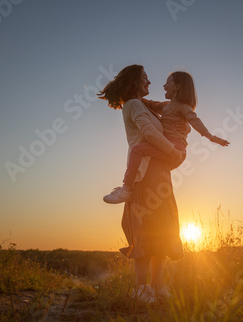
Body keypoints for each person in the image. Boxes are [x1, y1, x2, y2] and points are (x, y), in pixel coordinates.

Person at [97, 64, 185, 303]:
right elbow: (147, 132)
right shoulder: (133, 105)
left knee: (162, 233)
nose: (149, 82)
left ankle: (157, 287)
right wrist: (172, 151)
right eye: (145, 78)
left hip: (160, 175)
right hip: (145, 177)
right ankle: (141, 289)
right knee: (146, 232)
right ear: (134, 81)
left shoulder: (142, 105)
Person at [103, 71, 229, 204]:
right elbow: (147, 103)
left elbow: (196, 121)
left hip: (176, 147)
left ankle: (126, 189)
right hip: (168, 147)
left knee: (137, 150)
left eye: (168, 82)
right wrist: (126, 91)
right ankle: (131, 188)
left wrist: (211, 137)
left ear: (177, 87)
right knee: (149, 165)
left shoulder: (183, 108)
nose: (164, 85)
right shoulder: (165, 106)